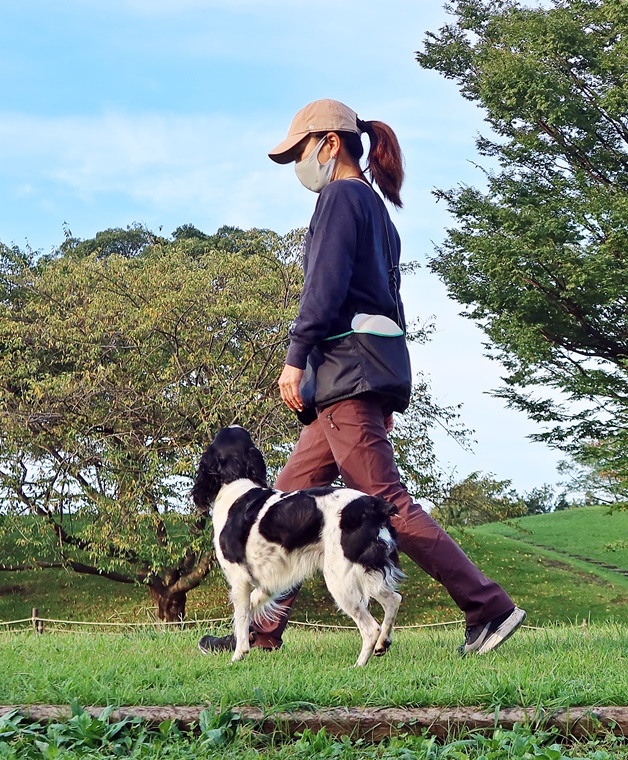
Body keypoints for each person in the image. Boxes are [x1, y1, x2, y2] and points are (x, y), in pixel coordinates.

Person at [199, 99, 525, 657]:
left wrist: (296, 355)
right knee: (287, 502)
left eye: (300, 152)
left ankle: (488, 607)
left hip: (343, 375)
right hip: (356, 378)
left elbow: (323, 290)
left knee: (385, 499)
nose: (299, 166)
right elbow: (388, 305)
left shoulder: (340, 197)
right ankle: (261, 629)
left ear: (329, 143)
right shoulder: (374, 208)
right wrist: (385, 390)